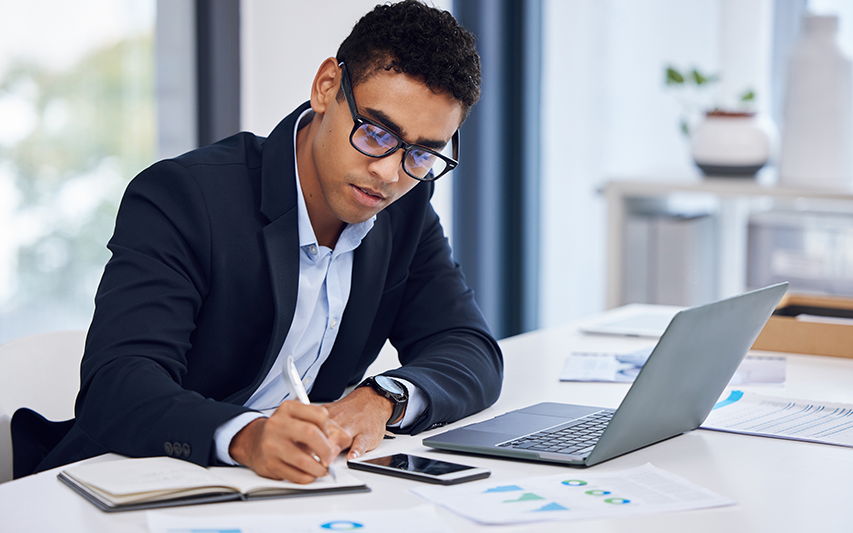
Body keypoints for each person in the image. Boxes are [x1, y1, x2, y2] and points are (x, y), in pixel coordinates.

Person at [22, 0, 503, 483]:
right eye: (376, 132)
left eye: (421, 153)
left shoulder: (406, 206)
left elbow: (468, 347)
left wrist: (383, 398)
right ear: (327, 87)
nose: (389, 172)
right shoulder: (185, 197)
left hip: (288, 490)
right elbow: (118, 385)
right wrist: (245, 436)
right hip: (132, 483)